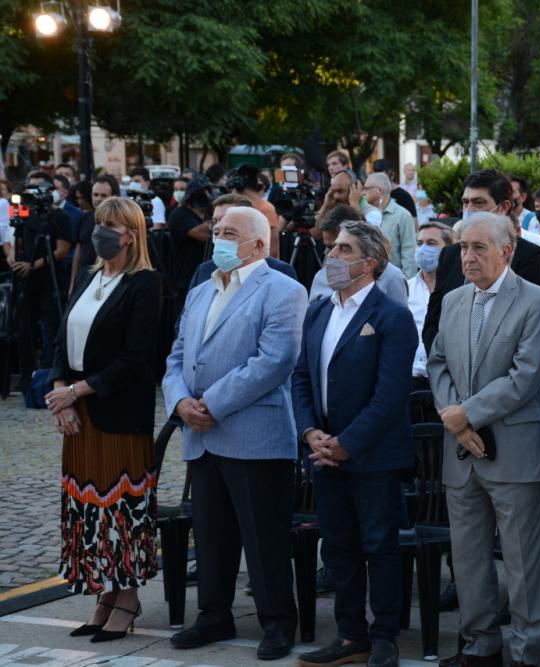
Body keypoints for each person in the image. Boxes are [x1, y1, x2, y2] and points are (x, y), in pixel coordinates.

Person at [163, 207, 307, 661]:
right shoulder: (202, 290)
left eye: (230, 234)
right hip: (201, 433)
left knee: (263, 538)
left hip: (254, 432)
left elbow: (275, 360)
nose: (218, 240)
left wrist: (213, 403)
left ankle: (277, 622)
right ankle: (213, 614)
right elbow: (177, 355)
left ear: (259, 245)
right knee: (211, 533)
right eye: (217, 232)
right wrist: (180, 401)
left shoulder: (284, 290)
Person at [427, 212, 540, 667]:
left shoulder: (536, 301)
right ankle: (480, 645)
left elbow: (526, 376)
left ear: (507, 250)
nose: (468, 256)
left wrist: (469, 413)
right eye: (463, 247)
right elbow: (437, 362)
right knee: (468, 557)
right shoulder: (455, 299)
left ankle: (527, 653)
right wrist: (455, 419)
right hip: (461, 450)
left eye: (479, 247)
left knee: (523, 563)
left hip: (515, 451)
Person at [292, 222, 417, 667]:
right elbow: (302, 377)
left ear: (370, 263)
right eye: (332, 248)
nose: (332, 257)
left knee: (379, 544)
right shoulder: (320, 310)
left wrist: (348, 442)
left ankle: (384, 635)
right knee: (339, 545)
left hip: (373, 455)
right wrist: (311, 433)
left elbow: (390, 395)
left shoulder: (391, 316)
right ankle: (350, 635)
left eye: (344, 250)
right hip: (324, 451)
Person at [46, 197, 163, 643]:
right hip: (79, 411)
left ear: (131, 233)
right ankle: (103, 593)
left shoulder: (145, 283)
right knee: (86, 511)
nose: (102, 233)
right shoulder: (91, 276)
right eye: (99, 224)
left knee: (119, 510)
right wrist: (62, 394)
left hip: (117, 413)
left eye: (111, 226)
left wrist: (76, 391)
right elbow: (62, 338)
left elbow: (137, 358)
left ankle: (127, 597)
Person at [421, 169, 540, 353]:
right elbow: (433, 320)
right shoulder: (449, 255)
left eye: (478, 203)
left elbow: (531, 329)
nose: (469, 210)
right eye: (465, 202)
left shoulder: (530, 256)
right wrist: (444, 369)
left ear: (503, 208)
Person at [12, 170, 73, 391]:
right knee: (24, 328)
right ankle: (26, 375)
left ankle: (52, 374)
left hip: (51, 281)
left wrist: (32, 265)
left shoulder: (60, 216)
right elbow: (13, 234)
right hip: (25, 281)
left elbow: (62, 251)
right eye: (30, 187)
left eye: (37, 188)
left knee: (52, 328)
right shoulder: (23, 210)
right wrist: (14, 259)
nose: (32, 192)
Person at [187, 194, 297, 288]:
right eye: (215, 221)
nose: (218, 227)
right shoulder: (204, 270)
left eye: (227, 219)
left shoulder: (279, 271)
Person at [309, 204, 409, 306]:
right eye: (330, 247)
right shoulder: (321, 276)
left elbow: (398, 317)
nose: (331, 255)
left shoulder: (392, 277)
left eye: (344, 248)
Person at [409, 222, 453, 389]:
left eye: (431, 243)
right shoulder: (406, 288)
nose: (422, 249)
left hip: (446, 382)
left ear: (449, 249)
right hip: (410, 379)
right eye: (419, 243)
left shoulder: (459, 290)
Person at [166, 175, 213, 322]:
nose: (205, 198)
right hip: (184, 279)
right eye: (201, 194)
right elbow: (201, 234)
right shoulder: (179, 214)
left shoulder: (206, 214)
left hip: (206, 275)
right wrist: (217, 219)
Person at [363, 172, 417, 278]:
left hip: (392, 280)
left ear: (379, 190)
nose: (363, 193)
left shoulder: (402, 215)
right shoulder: (363, 214)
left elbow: (409, 253)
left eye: (366, 189)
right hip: (366, 280)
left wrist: (408, 284)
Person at [228, 163, 281, 258]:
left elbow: (272, 247)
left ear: (239, 186)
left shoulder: (265, 209)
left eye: (232, 189)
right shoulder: (244, 207)